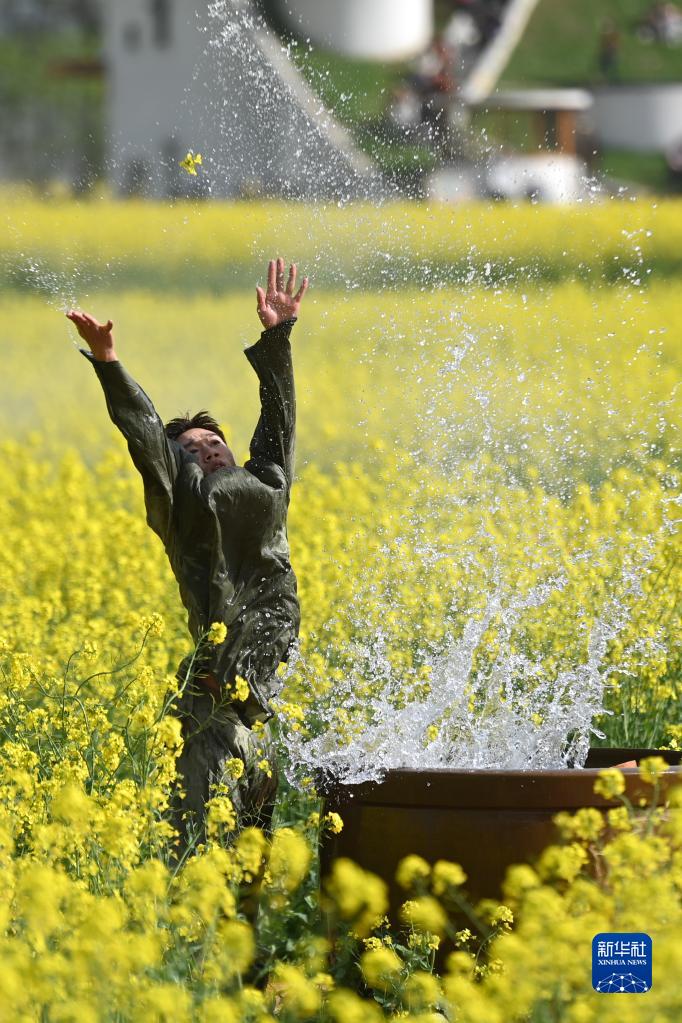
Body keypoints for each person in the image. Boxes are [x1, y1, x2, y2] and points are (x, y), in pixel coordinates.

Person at [66, 257, 308, 856]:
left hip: (265, 708)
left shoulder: (269, 479)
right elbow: (146, 436)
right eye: (193, 448)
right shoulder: (182, 503)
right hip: (213, 707)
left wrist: (278, 336)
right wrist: (109, 363)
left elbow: (278, 419)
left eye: (214, 440)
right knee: (201, 857)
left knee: (253, 864)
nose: (208, 449)